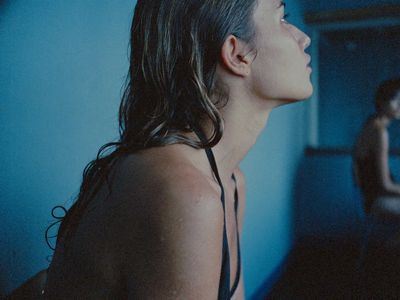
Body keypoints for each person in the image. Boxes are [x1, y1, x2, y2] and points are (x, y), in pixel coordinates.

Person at [16, 0, 312, 299]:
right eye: (282, 18)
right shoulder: (182, 193)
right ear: (237, 54)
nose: (304, 37)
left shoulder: (232, 181)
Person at [353, 79, 400, 220]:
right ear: (381, 102)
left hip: (372, 198)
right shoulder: (379, 132)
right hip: (378, 201)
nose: (399, 105)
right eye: (396, 99)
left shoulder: (370, 125)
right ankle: (391, 244)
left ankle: (392, 243)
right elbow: (385, 185)